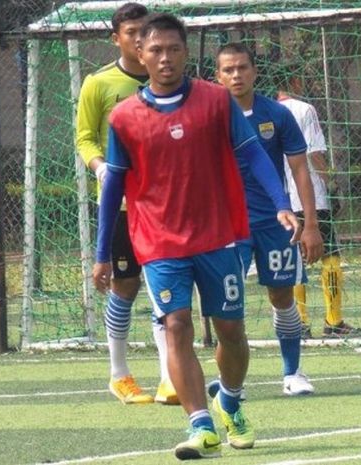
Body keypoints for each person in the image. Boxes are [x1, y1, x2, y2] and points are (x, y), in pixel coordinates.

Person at [92, 13, 301, 460]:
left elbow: (252, 153)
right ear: (140, 54)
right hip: (159, 242)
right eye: (156, 51)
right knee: (176, 325)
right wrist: (102, 251)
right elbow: (112, 188)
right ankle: (201, 424)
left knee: (231, 331)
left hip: (219, 235)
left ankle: (229, 397)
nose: (165, 59)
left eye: (173, 50)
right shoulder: (124, 117)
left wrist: (281, 203)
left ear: (186, 53)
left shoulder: (215, 101)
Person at [76, 3, 178, 405]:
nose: (140, 39)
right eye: (132, 31)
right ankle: (119, 374)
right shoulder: (98, 84)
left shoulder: (170, 84)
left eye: (144, 31)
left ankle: (170, 376)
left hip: (161, 206)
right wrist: (100, 167)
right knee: (126, 286)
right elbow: (84, 137)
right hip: (119, 206)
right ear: (115, 37)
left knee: (164, 288)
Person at [215, 43, 324, 396]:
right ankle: (233, 381)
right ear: (218, 75)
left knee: (281, 294)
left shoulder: (277, 114)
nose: (236, 75)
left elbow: (300, 170)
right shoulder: (210, 116)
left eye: (242, 68)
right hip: (227, 225)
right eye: (228, 70)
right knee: (228, 304)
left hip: (274, 222)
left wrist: (310, 224)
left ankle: (292, 372)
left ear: (254, 71)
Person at [276, 69, 361, 339]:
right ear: (295, 81)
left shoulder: (269, 112)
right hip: (312, 197)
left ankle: (300, 324)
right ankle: (333, 321)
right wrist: (331, 181)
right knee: (330, 256)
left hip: (284, 200)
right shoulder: (305, 109)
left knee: (296, 262)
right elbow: (314, 153)